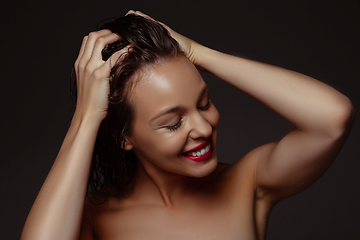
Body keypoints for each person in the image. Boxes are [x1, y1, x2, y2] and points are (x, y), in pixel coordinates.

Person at [21, 10, 354, 240]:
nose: (204, 128)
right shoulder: (96, 217)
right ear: (124, 137)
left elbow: (332, 118)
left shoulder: (248, 182)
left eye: (204, 103)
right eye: (172, 123)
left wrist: (199, 53)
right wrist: (87, 116)